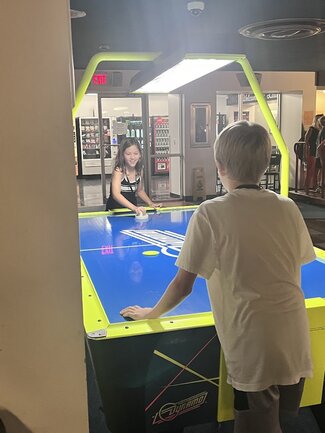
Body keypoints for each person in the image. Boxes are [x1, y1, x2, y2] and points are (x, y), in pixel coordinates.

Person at [121, 121, 315, 433]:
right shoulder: (288, 207)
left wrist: (150, 313)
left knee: (256, 426)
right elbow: (295, 263)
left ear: (219, 165)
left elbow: (183, 285)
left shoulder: (210, 213)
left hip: (254, 344)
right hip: (294, 336)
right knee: (278, 417)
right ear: (266, 163)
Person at [105, 137, 161, 214]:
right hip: (116, 211)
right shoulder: (118, 171)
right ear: (122, 155)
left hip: (132, 210)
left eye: (136, 153)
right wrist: (134, 208)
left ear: (140, 155)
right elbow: (116, 194)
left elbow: (140, 190)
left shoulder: (139, 170)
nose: (132, 157)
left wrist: (150, 203)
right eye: (128, 154)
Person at [304, 114, 323, 193]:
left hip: (317, 151)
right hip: (312, 150)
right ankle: (307, 187)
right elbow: (306, 139)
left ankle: (315, 186)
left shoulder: (320, 130)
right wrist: (306, 151)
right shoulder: (312, 128)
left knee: (316, 170)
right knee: (310, 170)